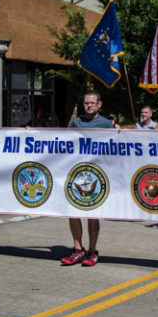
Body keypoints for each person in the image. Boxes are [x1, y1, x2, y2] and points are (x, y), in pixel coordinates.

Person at [61, 90, 114, 266]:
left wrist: (120, 131)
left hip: (97, 175)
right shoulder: (76, 123)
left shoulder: (106, 124)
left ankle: (92, 251)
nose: (89, 106)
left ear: (99, 104)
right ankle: (77, 249)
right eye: (86, 103)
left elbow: (118, 148)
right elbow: (63, 142)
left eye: (92, 103)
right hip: (77, 174)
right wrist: (31, 133)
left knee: (93, 214)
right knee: (73, 212)